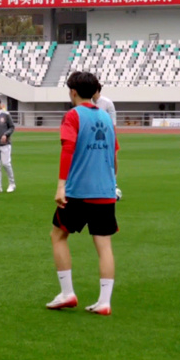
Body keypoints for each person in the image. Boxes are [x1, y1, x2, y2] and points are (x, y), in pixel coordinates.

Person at [47, 71, 119, 316]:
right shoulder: (106, 118)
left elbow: (67, 148)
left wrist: (61, 186)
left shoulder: (73, 115)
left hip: (79, 191)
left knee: (58, 235)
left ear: (73, 92)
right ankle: (104, 302)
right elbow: (114, 155)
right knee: (104, 245)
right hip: (105, 190)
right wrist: (113, 182)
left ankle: (67, 293)